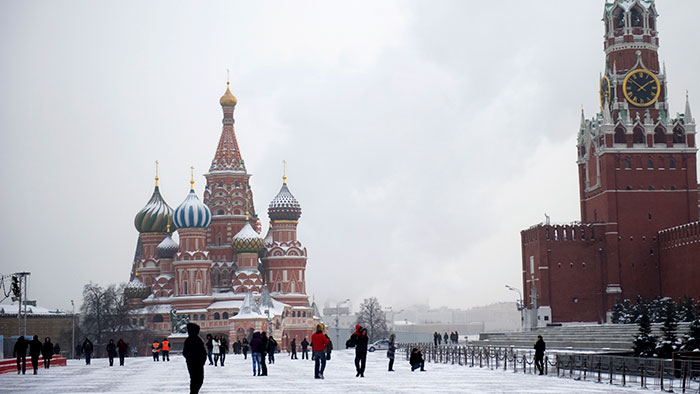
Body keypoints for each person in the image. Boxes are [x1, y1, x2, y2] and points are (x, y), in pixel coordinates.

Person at [183, 323, 207, 394]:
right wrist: (202, 361)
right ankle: (194, 392)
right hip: (197, 363)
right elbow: (203, 352)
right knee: (199, 379)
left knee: (194, 379)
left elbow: (184, 352)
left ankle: (193, 392)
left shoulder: (188, 340)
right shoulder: (198, 339)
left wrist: (189, 358)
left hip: (191, 363)